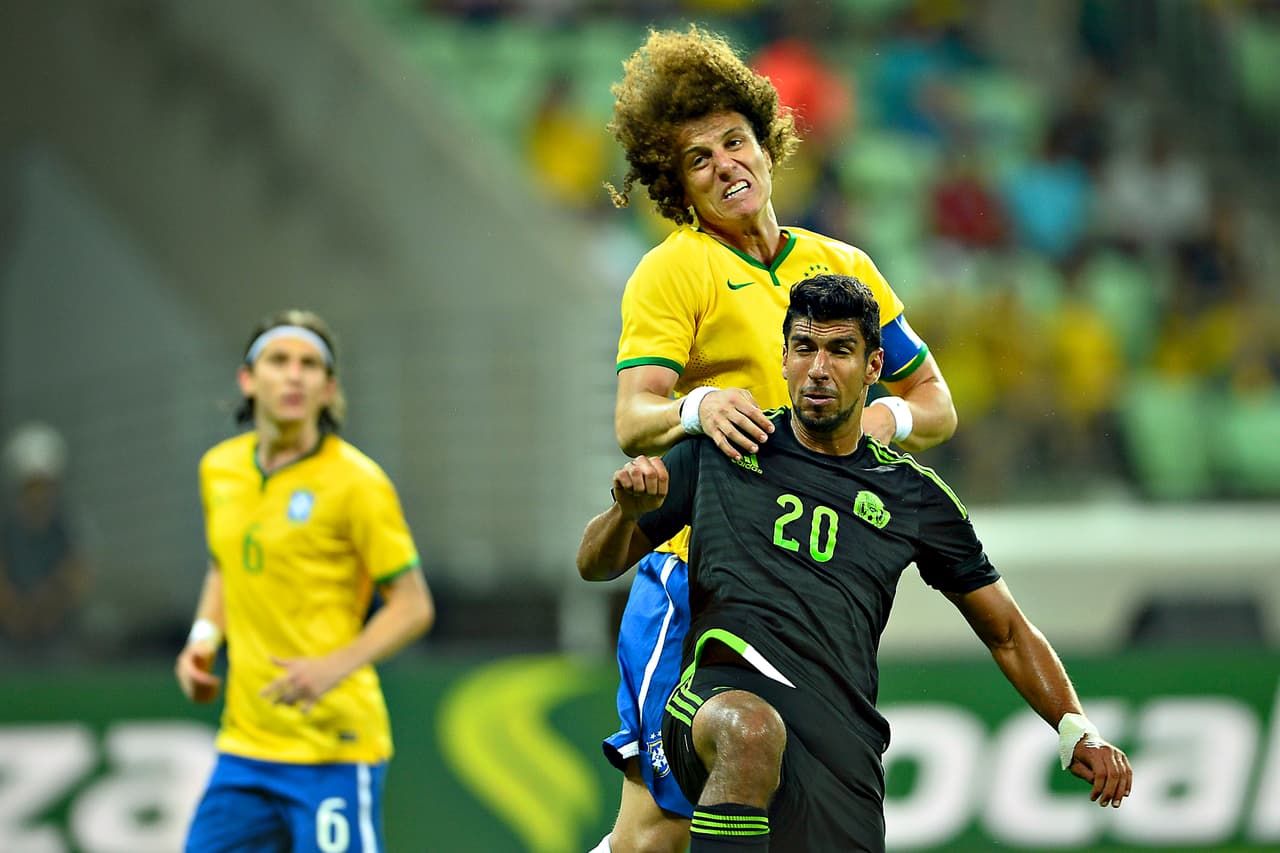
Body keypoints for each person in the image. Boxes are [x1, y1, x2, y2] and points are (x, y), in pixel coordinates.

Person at [579, 275, 1133, 851]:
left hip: (839, 741)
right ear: (785, 357)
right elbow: (594, 564)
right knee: (749, 731)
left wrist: (1076, 730)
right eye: (803, 348)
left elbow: (1009, 632)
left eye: (840, 351)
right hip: (716, 702)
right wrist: (626, 513)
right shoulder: (723, 449)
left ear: (873, 369)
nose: (818, 368)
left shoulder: (914, 497)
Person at [598, 25, 958, 853]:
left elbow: (935, 402)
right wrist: (699, 405)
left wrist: (879, 420)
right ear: (675, 183)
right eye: (698, 158)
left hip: (797, 595)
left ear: (768, 144)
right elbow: (633, 417)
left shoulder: (844, 266)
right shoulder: (675, 269)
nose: (726, 165)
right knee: (657, 827)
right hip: (695, 578)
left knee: (713, 826)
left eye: (735, 141)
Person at [175, 310, 435, 853]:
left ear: (329, 388)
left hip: (332, 749)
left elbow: (412, 606)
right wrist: (202, 640)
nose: (294, 375)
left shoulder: (357, 483)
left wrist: (330, 668)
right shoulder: (218, 469)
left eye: (310, 365)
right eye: (279, 361)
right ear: (248, 379)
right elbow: (226, 564)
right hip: (244, 747)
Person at [0, 422, 88, 660]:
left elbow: (76, 574)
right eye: (32, 486)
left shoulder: (66, 528)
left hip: (58, 638)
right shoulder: (8, 528)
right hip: (10, 640)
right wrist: (14, 613)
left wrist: (50, 607)